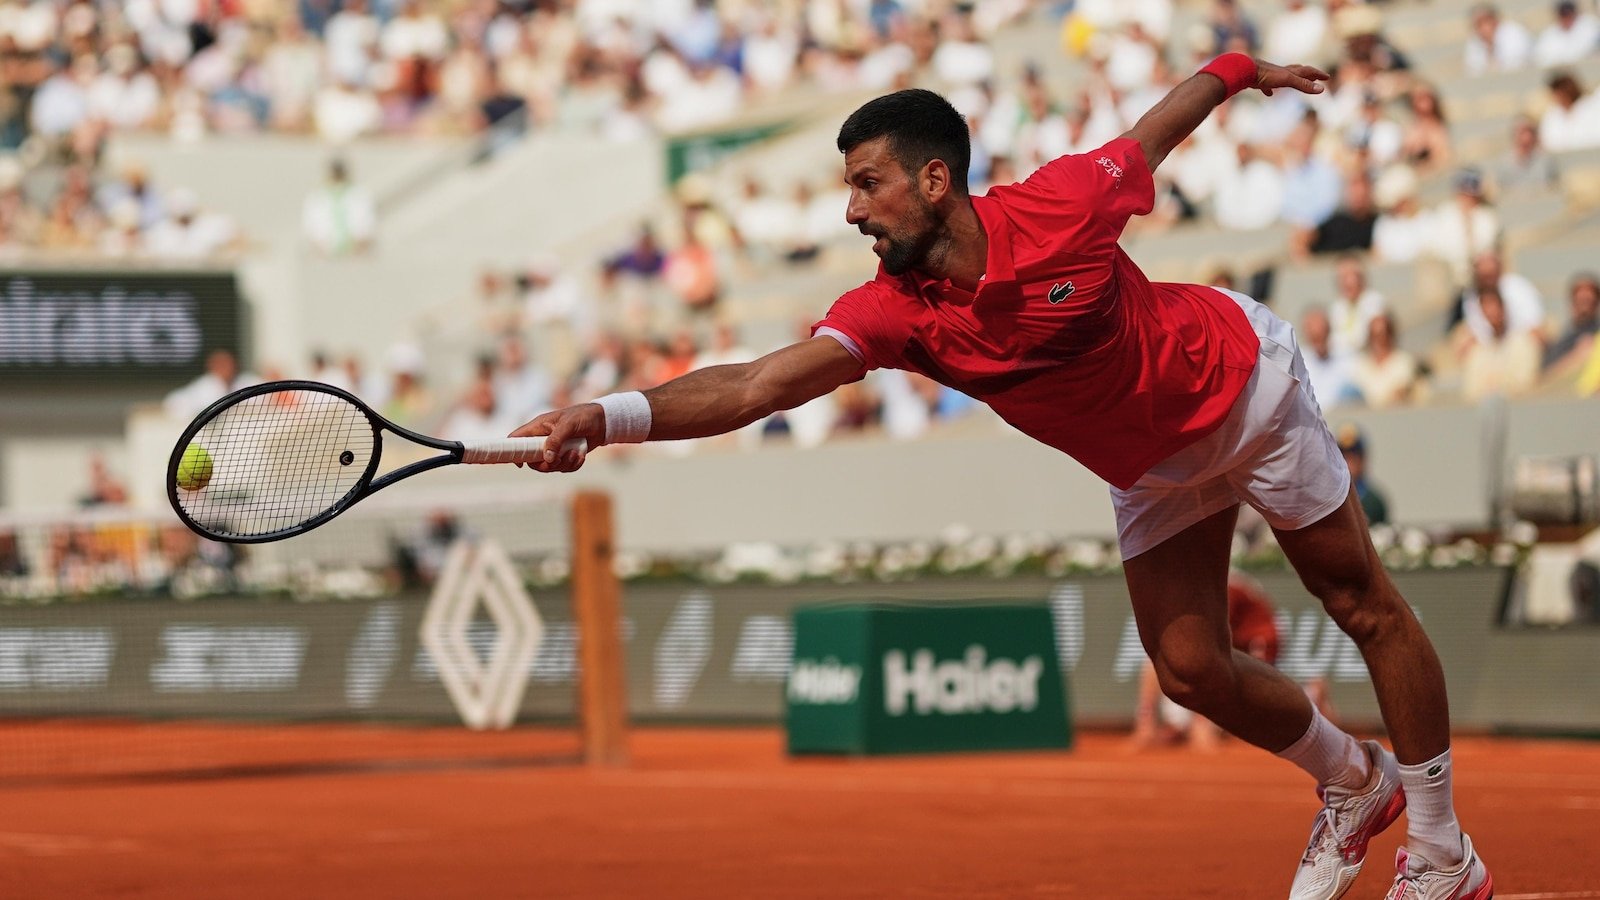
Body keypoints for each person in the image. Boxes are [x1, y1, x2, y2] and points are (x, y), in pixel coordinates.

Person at [512, 60, 1491, 898]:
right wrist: (608, 418)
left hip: (1243, 392)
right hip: (1149, 467)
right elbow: (759, 384)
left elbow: (1152, 134)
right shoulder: (893, 310)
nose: (851, 209)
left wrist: (1240, 71)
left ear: (934, 180)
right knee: (1189, 668)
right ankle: (1353, 781)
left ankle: (1443, 849)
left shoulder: (1065, 204)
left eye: (867, 184)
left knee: (1360, 602)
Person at [1336, 424, 1390, 526]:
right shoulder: (1331, 500)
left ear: (1363, 460)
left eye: (1354, 457)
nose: (1349, 463)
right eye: (1344, 456)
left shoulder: (1374, 502)